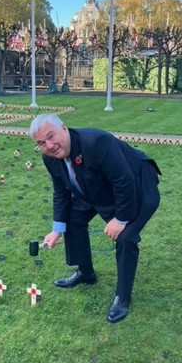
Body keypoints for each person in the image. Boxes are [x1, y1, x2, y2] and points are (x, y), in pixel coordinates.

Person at [29, 113, 161, 324]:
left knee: (126, 237)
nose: (49, 145)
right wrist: (57, 229)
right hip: (96, 187)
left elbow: (123, 181)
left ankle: (123, 297)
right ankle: (85, 272)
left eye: (51, 136)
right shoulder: (50, 159)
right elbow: (61, 192)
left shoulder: (96, 142)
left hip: (138, 186)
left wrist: (120, 219)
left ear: (64, 128)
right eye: (41, 143)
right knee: (73, 219)